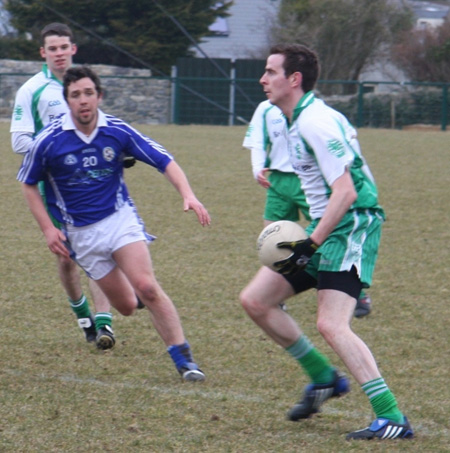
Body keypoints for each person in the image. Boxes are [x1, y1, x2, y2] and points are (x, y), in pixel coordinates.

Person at [240, 44, 414, 440]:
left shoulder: (316, 122)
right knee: (256, 300)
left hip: (350, 224)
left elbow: (347, 192)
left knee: (331, 324)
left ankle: (392, 418)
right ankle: (323, 377)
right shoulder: (293, 119)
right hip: (326, 226)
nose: (263, 79)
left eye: (270, 72)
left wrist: (311, 243)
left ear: (294, 79)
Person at [17, 65, 210, 381]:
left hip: (120, 220)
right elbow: (28, 183)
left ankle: (185, 360)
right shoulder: (49, 140)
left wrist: (188, 194)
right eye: (75, 95)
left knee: (147, 286)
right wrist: (49, 229)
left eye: (88, 93)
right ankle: (128, 289)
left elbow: (163, 160)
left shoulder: (117, 131)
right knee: (125, 306)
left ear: (99, 96)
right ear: (66, 101)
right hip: (81, 235)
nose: (83, 100)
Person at [10, 22, 136, 350]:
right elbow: (18, 139)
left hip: (89, 184)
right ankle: (84, 317)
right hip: (53, 188)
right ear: (43, 53)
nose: (59, 53)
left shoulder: (82, 83)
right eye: (52, 49)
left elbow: (97, 128)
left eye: (64, 47)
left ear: (73, 49)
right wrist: (55, 149)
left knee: (99, 250)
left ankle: (105, 324)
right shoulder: (31, 90)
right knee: (67, 258)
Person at [243, 100, 372, 318]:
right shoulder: (265, 108)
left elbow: (348, 140)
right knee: (272, 240)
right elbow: (256, 140)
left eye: (271, 72)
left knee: (328, 233)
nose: (265, 80)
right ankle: (276, 296)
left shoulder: (315, 114)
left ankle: (355, 293)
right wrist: (257, 168)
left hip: (309, 180)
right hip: (278, 181)